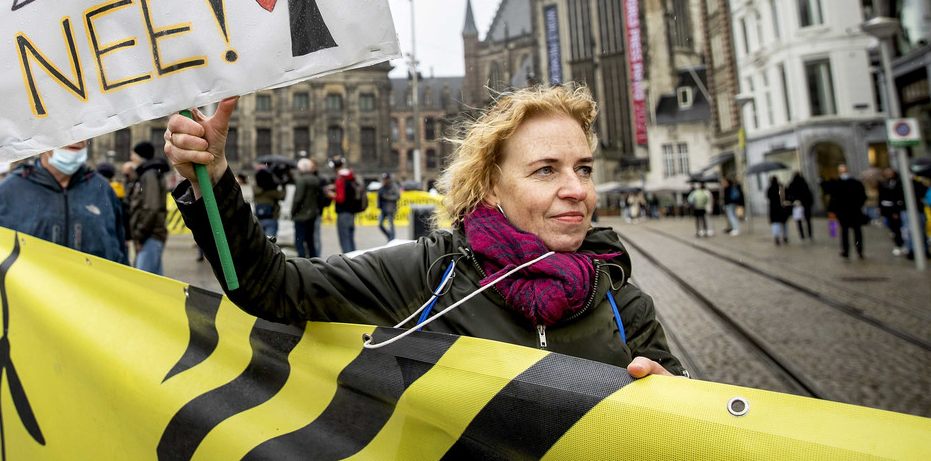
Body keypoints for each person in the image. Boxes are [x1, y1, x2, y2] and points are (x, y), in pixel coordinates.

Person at [163, 84, 685, 378]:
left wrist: (673, 402)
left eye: (585, 168)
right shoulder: (428, 274)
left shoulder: (623, 302)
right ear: (489, 187)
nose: (577, 189)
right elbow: (271, 286)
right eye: (546, 170)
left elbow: (692, 419)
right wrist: (213, 182)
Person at [0, 141, 128, 267]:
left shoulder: (102, 190)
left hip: (91, 309)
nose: (76, 139)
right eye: (65, 130)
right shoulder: (11, 189)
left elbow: (119, 253)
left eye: (82, 130)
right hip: (31, 311)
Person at [128, 141, 169, 276]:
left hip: (150, 235)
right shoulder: (148, 174)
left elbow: (151, 207)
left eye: (133, 154)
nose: (131, 157)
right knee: (154, 279)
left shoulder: (149, 175)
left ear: (141, 156)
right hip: (150, 235)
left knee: (143, 281)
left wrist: (140, 235)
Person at [825, 164, 867, 260]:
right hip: (846, 212)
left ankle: (856, 250)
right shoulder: (838, 183)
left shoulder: (854, 183)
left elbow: (862, 197)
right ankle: (849, 250)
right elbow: (833, 198)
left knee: (854, 231)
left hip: (851, 212)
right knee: (847, 232)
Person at [330, 156, 364, 253]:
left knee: (344, 240)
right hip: (351, 212)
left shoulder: (340, 179)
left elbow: (341, 198)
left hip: (343, 212)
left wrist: (331, 195)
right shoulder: (350, 177)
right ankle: (355, 260)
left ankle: (348, 263)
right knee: (350, 239)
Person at [290, 158, 322, 257]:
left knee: (299, 241)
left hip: (301, 215)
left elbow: (298, 198)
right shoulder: (315, 179)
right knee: (310, 240)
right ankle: (314, 259)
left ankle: (302, 261)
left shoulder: (301, 180)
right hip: (312, 214)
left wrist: (293, 211)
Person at [877, 167, 905, 256]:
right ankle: (898, 243)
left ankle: (901, 243)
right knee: (893, 228)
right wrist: (880, 207)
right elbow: (881, 196)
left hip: (896, 208)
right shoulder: (884, 183)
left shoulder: (897, 182)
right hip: (887, 209)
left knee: (898, 227)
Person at [252, 164, 283, 240]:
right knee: (270, 243)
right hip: (271, 218)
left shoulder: (256, 190)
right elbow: (282, 196)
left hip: (259, 218)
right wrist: (282, 184)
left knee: (260, 241)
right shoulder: (272, 192)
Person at [784, 172, 814, 240]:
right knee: (808, 220)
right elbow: (808, 194)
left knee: (799, 221)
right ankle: (810, 234)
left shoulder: (792, 184)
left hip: (797, 205)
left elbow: (788, 195)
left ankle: (802, 235)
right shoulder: (804, 183)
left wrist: (795, 201)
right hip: (805, 205)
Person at [377, 173, 402, 242]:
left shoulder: (393, 186)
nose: (385, 181)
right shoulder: (382, 187)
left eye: (386, 179)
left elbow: (398, 196)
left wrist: (388, 197)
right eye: (383, 179)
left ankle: (392, 240)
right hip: (383, 209)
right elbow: (379, 196)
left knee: (391, 225)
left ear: (388, 179)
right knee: (380, 224)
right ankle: (389, 236)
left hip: (390, 208)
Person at [766, 176, 789, 245]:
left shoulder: (770, 188)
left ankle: (776, 237)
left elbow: (768, 197)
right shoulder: (781, 187)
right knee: (783, 223)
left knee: (775, 224)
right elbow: (786, 196)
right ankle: (785, 236)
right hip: (782, 208)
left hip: (773, 209)